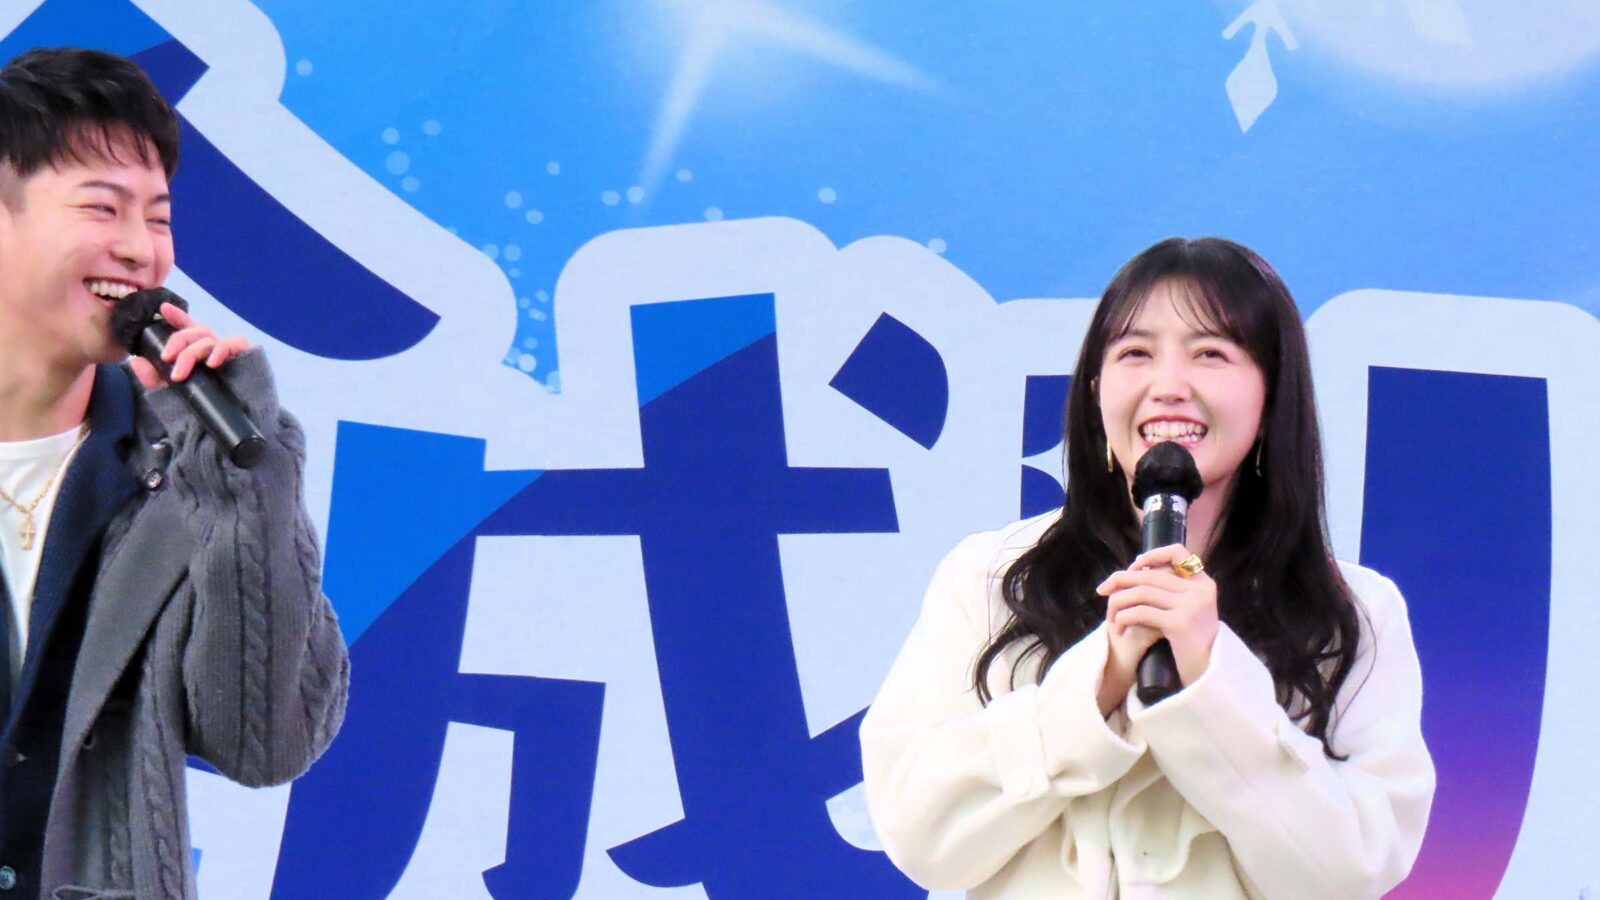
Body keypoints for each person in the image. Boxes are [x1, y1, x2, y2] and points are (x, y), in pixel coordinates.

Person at [860, 237, 1435, 898]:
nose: (1169, 388)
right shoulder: (992, 578)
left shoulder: (1349, 611)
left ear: (1271, 396)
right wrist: (1098, 681)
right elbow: (919, 834)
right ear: (1096, 393)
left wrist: (1212, 678)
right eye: (1136, 353)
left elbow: (1352, 869)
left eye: (1210, 354)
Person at [0, 48, 347, 897]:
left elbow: (267, 743)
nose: (139, 250)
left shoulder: (187, 462)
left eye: (157, 218)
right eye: (102, 208)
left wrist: (242, 483)